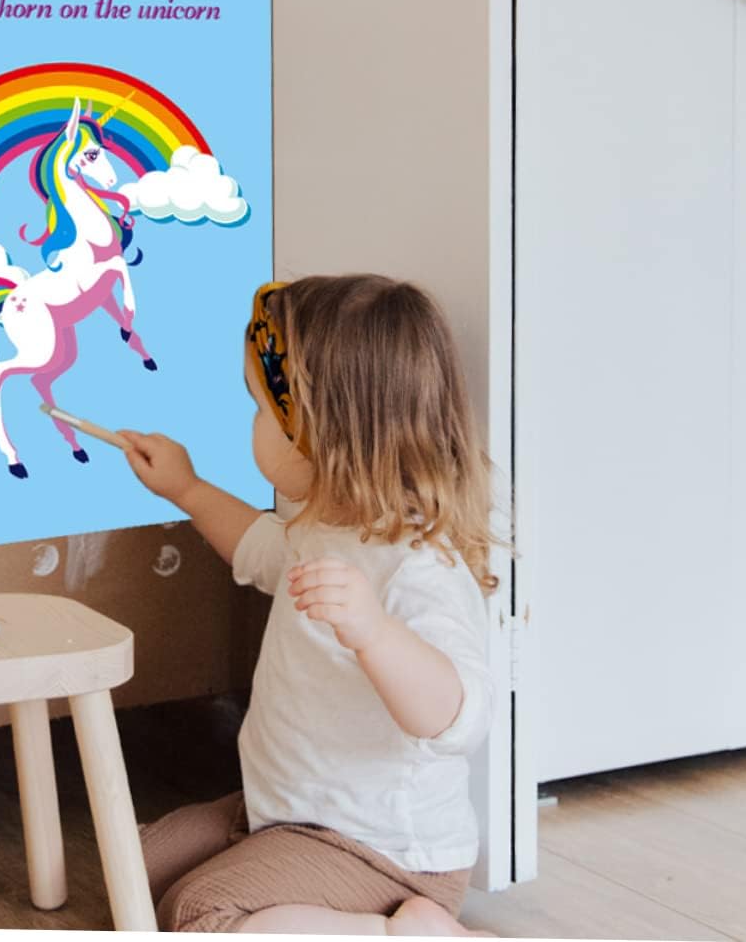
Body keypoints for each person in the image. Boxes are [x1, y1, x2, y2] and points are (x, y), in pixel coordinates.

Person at [119, 275, 502, 936]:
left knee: (198, 914)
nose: (252, 423)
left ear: (323, 428)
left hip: (382, 851)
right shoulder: (328, 525)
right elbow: (260, 548)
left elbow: (458, 717)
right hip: (285, 810)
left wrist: (373, 632)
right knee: (126, 867)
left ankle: (406, 930)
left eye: (261, 408)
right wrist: (186, 487)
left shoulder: (417, 563)